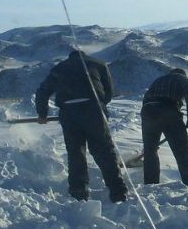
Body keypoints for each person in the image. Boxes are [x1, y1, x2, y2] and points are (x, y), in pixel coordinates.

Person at [35, 48, 129, 203]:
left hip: (69, 112)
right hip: (93, 110)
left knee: (75, 152)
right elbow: (109, 91)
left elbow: (42, 91)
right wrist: (100, 106)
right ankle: (118, 191)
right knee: (104, 149)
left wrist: (42, 114)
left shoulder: (59, 68)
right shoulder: (99, 64)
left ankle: (79, 192)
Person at [140, 68, 188, 189]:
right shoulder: (182, 78)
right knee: (182, 150)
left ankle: (151, 185)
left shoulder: (158, 80)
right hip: (168, 110)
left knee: (150, 150)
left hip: (148, 110)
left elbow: (146, 98)